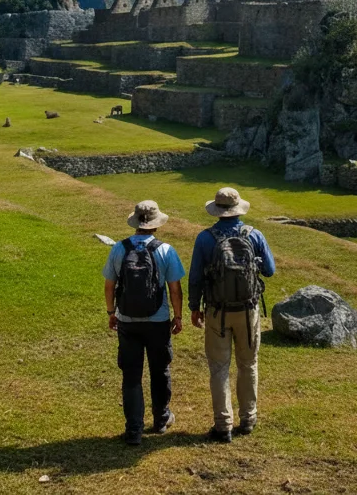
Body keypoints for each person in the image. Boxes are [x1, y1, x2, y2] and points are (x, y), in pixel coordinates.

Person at [189, 187, 276, 443]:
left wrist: (195, 307)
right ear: (238, 208)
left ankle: (223, 424)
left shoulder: (205, 239)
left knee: (219, 367)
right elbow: (270, 270)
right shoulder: (254, 235)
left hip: (217, 311)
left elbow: (195, 278)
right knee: (248, 364)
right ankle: (248, 419)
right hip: (248, 311)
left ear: (216, 210)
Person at [102, 200, 186, 446]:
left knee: (131, 376)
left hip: (127, 320)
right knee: (160, 370)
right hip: (158, 321)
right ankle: (161, 419)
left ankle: (133, 430)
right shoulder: (165, 250)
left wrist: (111, 312)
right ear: (156, 224)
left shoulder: (120, 248)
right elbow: (175, 289)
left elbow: (109, 285)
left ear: (136, 223)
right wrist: (178, 316)